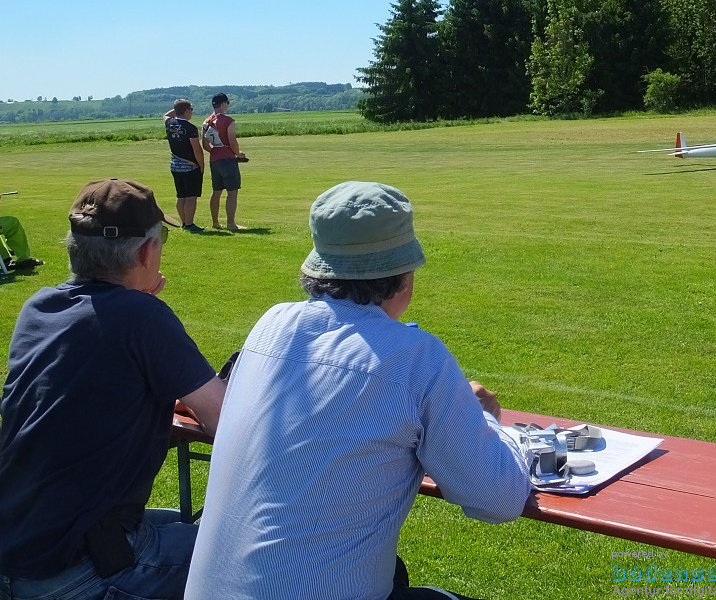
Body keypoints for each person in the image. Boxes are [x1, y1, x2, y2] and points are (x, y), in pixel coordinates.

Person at [186, 182, 531, 600]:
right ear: (404, 274)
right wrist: (489, 422)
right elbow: (499, 497)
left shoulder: (272, 323)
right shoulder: (414, 356)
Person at [0, 178, 226, 600]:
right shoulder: (140, 316)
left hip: (17, 550)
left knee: (171, 523)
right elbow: (225, 420)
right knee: (254, 550)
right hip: (72, 571)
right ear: (145, 251)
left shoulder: (40, 307)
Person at [201, 92, 246, 231]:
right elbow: (232, 141)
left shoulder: (206, 121)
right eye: (227, 103)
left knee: (216, 191)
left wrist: (215, 151)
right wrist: (239, 154)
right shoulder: (228, 121)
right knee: (232, 192)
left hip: (214, 159)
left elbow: (205, 144)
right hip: (228, 158)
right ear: (223, 103)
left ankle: (215, 222)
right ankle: (231, 223)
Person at [163, 98, 206, 232]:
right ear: (187, 111)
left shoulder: (169, 123)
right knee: (191, 197)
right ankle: (189, 224)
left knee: (180, 196)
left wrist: (177, 108)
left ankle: (184, 222)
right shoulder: (190, 128)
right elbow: (197, 149)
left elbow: (166, 115)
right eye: (191, 109)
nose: (192, 112)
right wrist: (201, 165)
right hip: (190, 166)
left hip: (175, 165)